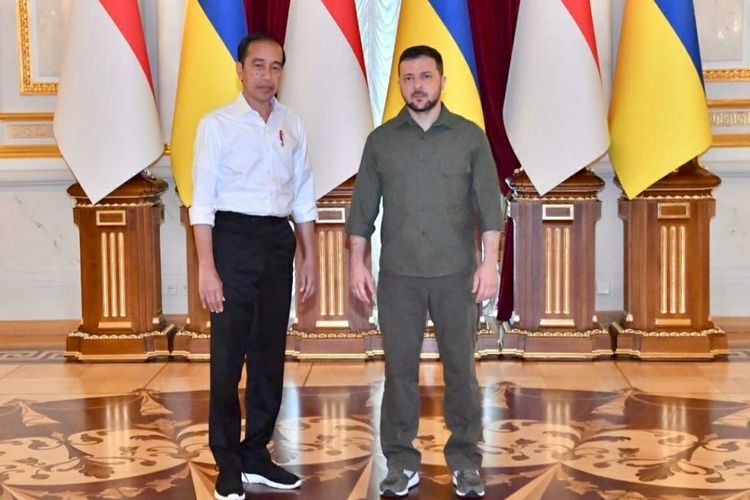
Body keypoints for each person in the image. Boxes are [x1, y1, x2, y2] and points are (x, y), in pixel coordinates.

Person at [346, 45, 505, 498]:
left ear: (442, 81)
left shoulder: (470, 138)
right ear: (399, 83)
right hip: (398, 277)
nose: (417, 85)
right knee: (398, 371)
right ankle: (400, 462)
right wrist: (358, 264)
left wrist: (489, 263)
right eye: (409, 77)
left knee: (461, 370)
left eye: (425, 76)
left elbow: (489, 210)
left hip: (457, 275)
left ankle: (465, 461)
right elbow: (362, 213)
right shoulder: (381, 141)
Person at [189, 32, 317, 500]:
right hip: (231, 241)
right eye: (258, 65)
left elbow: (303, 198)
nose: (268, 76)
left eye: (276, 66)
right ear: (240, 70)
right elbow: (200, 204)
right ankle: (226, 458)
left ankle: (256, 452)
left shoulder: (294, 125)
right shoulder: (216, 125)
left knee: (269, 354)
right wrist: (208, 268)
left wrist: (310, 259)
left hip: (276, 243)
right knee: (228, 357)